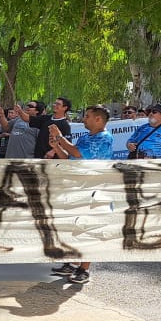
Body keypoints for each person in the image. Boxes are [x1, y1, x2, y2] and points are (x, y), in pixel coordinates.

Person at [48, 104, 114, 284]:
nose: (84, 119)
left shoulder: (104, 138)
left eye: (87, 117)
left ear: (98, 119)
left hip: (96, 189)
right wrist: (57, 146)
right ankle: (73, 261)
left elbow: (78, 153)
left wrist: (60, 137)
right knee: (75, 226)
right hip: (79, 187)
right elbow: (71, 159)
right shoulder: (86, 136)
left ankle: (84, 269)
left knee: (90, 228)